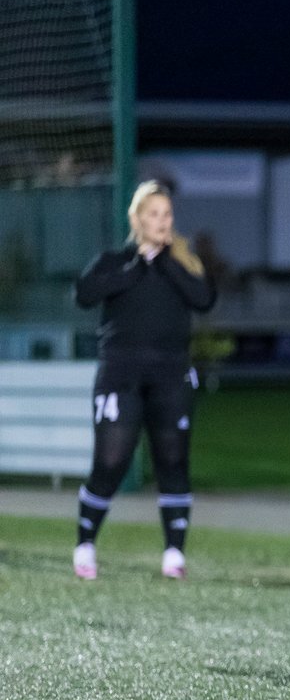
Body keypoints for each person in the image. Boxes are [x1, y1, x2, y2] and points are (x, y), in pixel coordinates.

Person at [71, 180, 217, 580]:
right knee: (111, 462)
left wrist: (165, 260)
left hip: (170, 376)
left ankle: (174, 554)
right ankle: (85, 545)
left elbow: (204, 299)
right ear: (136, 219)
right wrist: (138, 264)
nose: (161, 221)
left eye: (167, 214)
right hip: (121, 375)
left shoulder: (182, 263)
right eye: (153, 214)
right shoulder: (114, 261)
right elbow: (84, 294)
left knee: (173, 460)